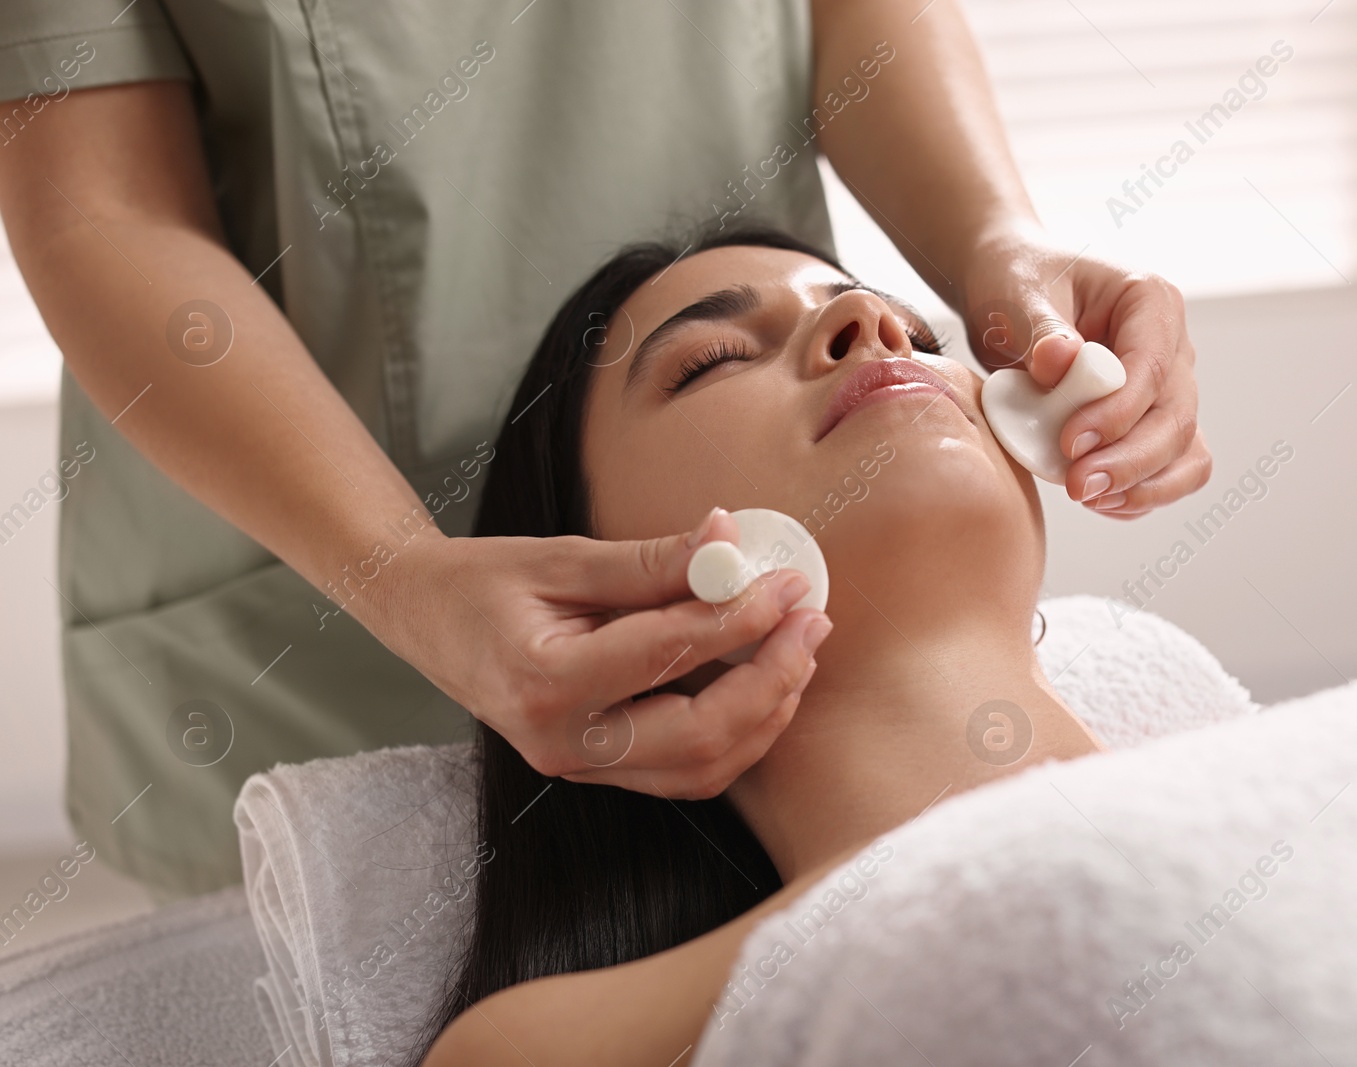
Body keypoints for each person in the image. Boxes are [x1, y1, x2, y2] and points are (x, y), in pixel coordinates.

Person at [0, 0, 1210, 901]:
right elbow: (102, 206)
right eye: (708, 360)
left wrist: (999, 243)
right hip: (299, 631)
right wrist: (398, 570)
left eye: (896, 317)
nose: (873, 321)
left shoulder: (1269, 799)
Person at [412, 225, 1108, 1066]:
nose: (870, 319)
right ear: (588, 619)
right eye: (714, 360)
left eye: (920, 336)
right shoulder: (528, 1049)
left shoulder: (1295, 783)